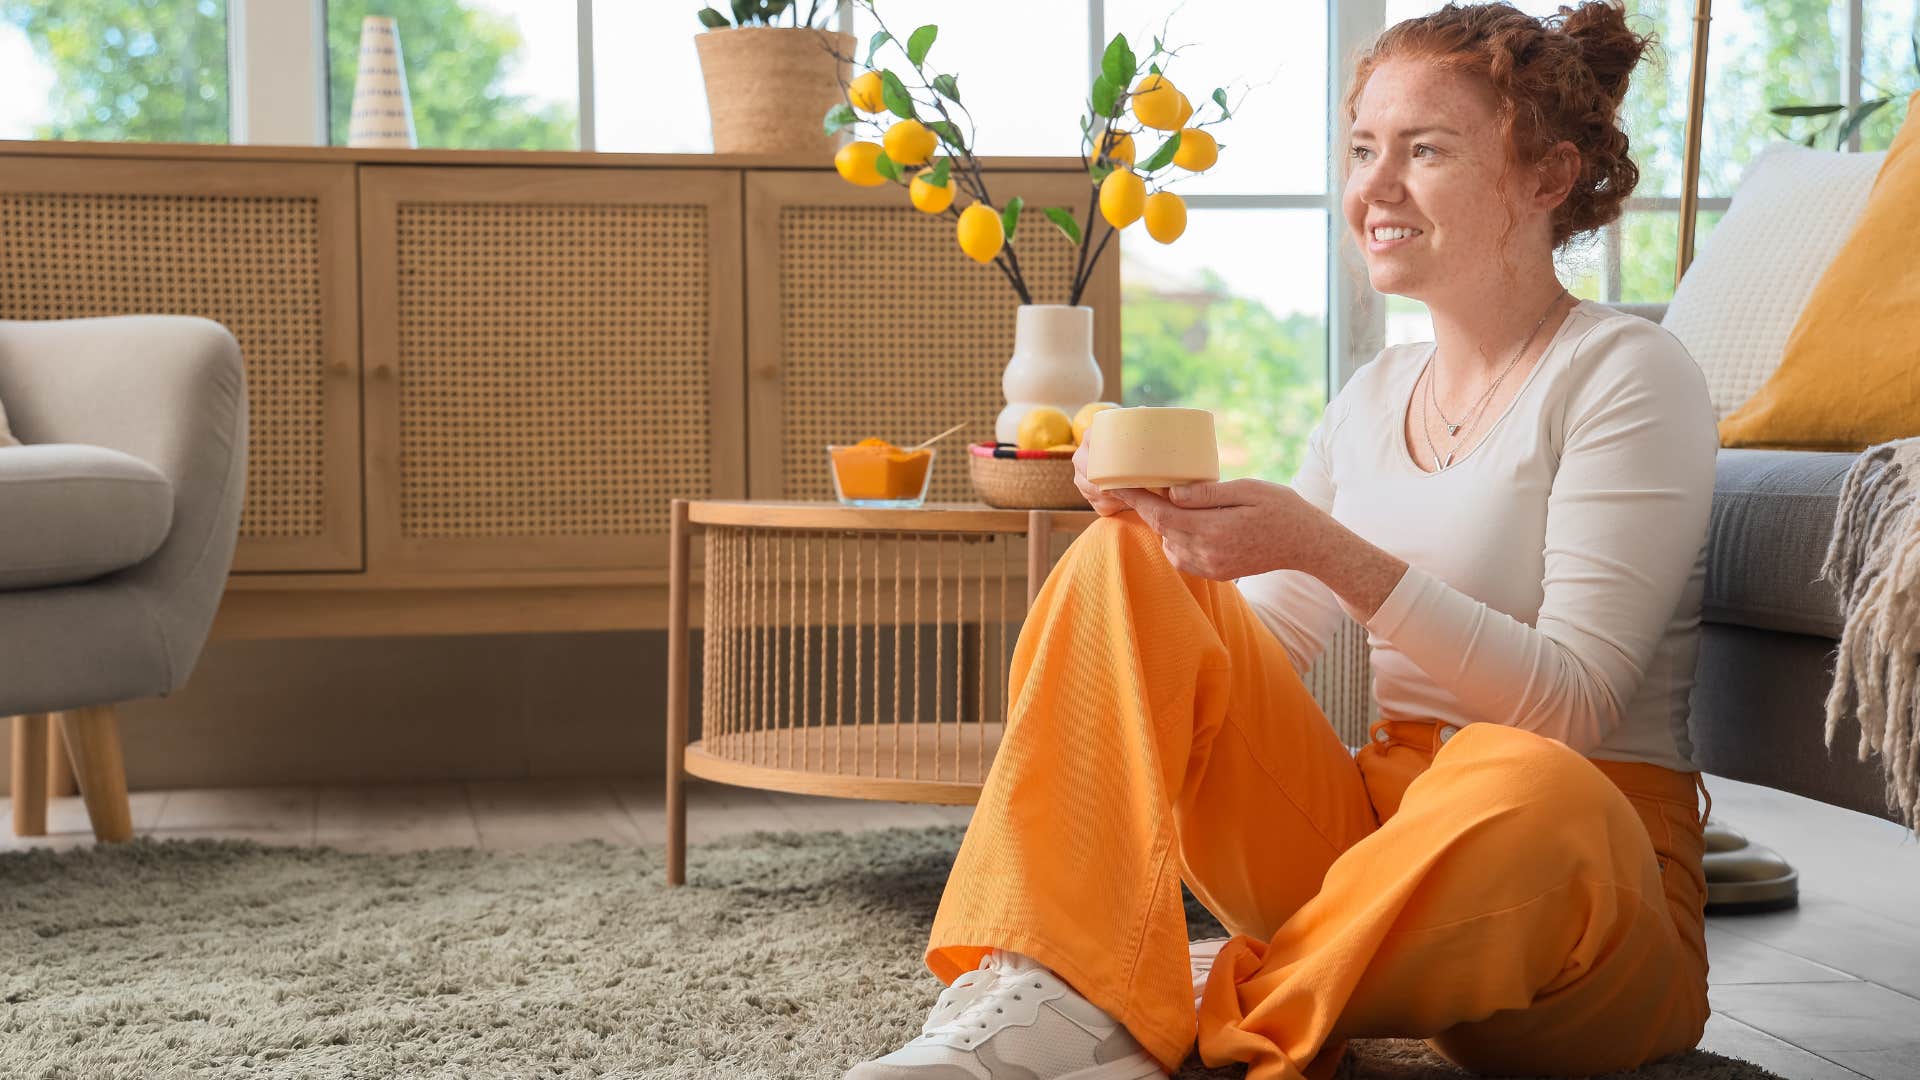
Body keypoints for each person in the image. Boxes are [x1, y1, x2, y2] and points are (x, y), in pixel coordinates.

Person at [844, 3, 1718, 1078]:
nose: (1375, 188)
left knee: (1527, 782)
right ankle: (1050, 981)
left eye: (1425, 150)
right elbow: (1236, 662)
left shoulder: (1629, 373)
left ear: (1547, 178)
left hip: (1570, 882)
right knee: (1118, 564)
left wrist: (1325, 549)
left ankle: (1170, 1006)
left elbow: (1575, 706)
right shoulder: (1370, 396)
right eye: (1362, 151)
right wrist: (1170, 544)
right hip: (1363, 850)